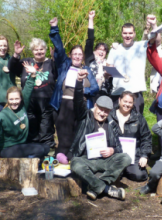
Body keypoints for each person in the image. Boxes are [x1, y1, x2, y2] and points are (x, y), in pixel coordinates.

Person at [68, 71, 132, 201]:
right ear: (95, 106)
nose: (103, 113)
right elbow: (78, 102)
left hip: (104, 160)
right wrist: (79, 82)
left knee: (125, 158)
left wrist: (112, 150)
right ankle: (107, 189)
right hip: (86, 159)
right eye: (101, 109)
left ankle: (97, 186)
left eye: (106, 111)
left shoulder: (112, 124)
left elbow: (119, 148)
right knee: (75, 163)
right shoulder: (85, 117)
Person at [49, 17, 99, 156]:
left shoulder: (87, 70)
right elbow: (59, 48)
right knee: (64, 140)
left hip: (82, 106)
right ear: (70, 56)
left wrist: (83, 90)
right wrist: (54, 28)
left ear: (83, 57)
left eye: (79, 54)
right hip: (65, 105)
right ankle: (62, 165)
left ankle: (77, 163)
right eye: (74, 54)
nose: (77, 56)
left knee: (79, 138)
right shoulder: (64, 66)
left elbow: (95, 89)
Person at [0, 62, 50, 160]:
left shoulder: (22, 106)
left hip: (22, 145)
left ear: (21, 99)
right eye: (11, 99)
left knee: (46, 147)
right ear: (7, 99)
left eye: (17, 99)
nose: (14, 102)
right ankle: (29, 160)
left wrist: (33, 74)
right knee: (40, 150)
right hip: (7, 149)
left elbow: (28, 88)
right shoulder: (3, 115)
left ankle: (29, 160)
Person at [8, 38, 57, 149]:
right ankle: (33, 153)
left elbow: (60, 72)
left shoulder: (51, 63)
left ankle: (48, 154)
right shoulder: (26, 62)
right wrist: (16, 54)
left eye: (41, 49)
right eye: (36, 50)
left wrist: (56, 57)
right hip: (29, 102)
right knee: (31, 130)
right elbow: (11, 67)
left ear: (45, 50)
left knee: (46, 130)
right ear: (32, 51)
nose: (39, 51)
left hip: (47, 103)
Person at [106, 15, 161, 114]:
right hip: (117, 93)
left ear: (135, 34)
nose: (128, 35)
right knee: (116, 124)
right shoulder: (115, 49)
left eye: (130, 33)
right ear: (122, 34)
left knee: (136, 125)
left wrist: (154, 25)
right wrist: (108, 71)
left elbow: (157, 41)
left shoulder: (141, 45)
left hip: (135, 92)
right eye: (125, 33)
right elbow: (108, 68)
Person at [109, 91, 152, 181]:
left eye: (130, 102)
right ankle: (122, 170)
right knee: (114, 176)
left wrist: (144, 155)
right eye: (125, 101)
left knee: (140, 176)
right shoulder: (109, 116)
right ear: (119, 100)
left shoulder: (139, 118)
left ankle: (126, 169)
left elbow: (146, 138)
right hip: (114, 155)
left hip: (133, 155)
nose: (127, 104)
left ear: (133, 104)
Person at [84, 11, 112, 101]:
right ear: (95, 50)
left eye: (104, 50)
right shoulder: (90, 59)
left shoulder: (108, 64)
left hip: (104, 96)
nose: (102, 52)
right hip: (90, 95)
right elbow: (90, 40)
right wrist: (91, 19)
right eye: (100, 49)